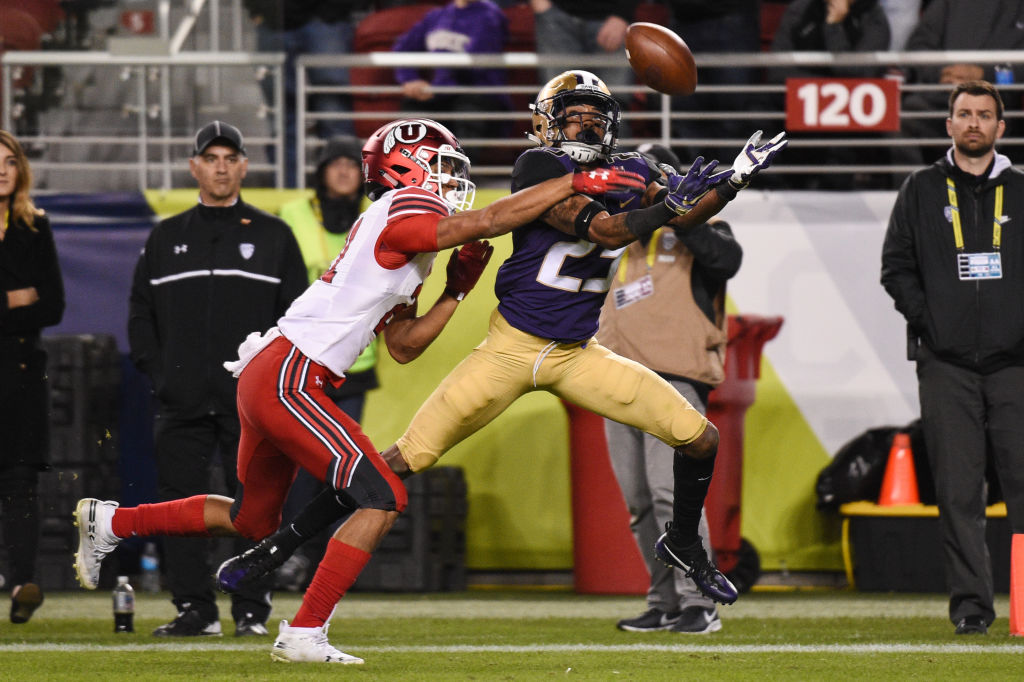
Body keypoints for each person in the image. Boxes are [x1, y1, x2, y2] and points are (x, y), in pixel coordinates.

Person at [75, 116, 649, 663]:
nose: (452, 179)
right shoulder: (404, 208)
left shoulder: (408, 239)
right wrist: (572, 181)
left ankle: (112, 522)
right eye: (441, 165)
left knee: (252, 519)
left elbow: (403, 344)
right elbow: (484, 222)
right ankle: (305, 630)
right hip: (290, 374)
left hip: (279, 372)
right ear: (406, 167)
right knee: (384, 496)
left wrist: (454, 292)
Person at [217, 72, 788, 608]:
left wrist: (730, 183)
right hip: (510, 349)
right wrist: (669, 202)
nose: (586, 127)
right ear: (546, 122)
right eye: (574, 117)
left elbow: (688, 219)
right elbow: (608, 227)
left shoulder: (632, 167)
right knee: (402, 460)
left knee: (701, 438)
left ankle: (683, 542)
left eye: (595, 118)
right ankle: (280, 545)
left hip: (576, 353)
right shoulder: (538, 167)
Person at [125, 121, 308, 637]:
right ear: (194, 167)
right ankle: (194, 610)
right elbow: (141, 314)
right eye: (212, 158)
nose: (222, 166)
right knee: (176, 505)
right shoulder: (166, 237)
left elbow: (295, 318)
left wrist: (270, 385)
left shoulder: (275, 236)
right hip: (180, 401)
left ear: (244, 166)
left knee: (254, 506)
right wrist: (159, 374)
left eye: (231, 157)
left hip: (251, 404)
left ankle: (251, 608)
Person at [881, 80, 1024, 636]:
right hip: (946, 366)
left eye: (984, 115)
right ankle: (971, 609)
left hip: (1017, 364)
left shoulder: (1023, 189)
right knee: (959, 492)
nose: (973, 123)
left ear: (1000, 128)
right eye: (963, 114)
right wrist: (933, 322)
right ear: (948, 125)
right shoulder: (919, 190)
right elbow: (896, 268)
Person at [600, 143, 742, 635]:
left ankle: (697, 601)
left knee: (668, 494)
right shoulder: (612, 233)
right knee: (639, 501)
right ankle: (663, 601)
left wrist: (683, 212)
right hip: (613, 379)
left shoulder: (701, 228)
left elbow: (727, 260)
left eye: (647, 176)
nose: (636, 183)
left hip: (672, 378)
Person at [274, 135, 380, 590]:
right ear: (319, 173)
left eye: (350, 165)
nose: (341, 172)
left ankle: (318, 561)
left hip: (352, 367)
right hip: (303, 362)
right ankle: (287, 555)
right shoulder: (294, 216)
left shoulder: (377, 215)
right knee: (299, 469)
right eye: (332, 164)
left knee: (338, 472)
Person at [0, 129, 65, 625]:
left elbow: (55, 305)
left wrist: (29, 302)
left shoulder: (36, 227)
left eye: (9, 161)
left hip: (21, 376)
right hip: (18, 358)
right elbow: (33, 301)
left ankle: (22, 583)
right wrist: (17, 299)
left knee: (21, 483)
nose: (2, 169)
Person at [243, 0, 372, 186]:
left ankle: (344, 194)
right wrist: (258, 11)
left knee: (333, 114)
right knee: (283, 117)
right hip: (276, 21)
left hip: (326, 21)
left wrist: (335, 10)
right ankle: (288, 195)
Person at [769, 0, 891, 188]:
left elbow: (862, 72)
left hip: (848, 114)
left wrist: (834, 26)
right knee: (758, 108)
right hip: (800, 105)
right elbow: (777, 69)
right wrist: (822, 91)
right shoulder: (800, 10)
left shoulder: (873, 15)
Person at [393, 0, 512, 143]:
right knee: (413, 107)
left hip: (479, 95)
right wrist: (410, 79)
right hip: (442, 95)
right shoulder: (436, 16)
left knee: (468, 109)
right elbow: (402, 48)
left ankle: (461, 164)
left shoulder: (491, 15)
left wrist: (437, 88)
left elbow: (476, 65)